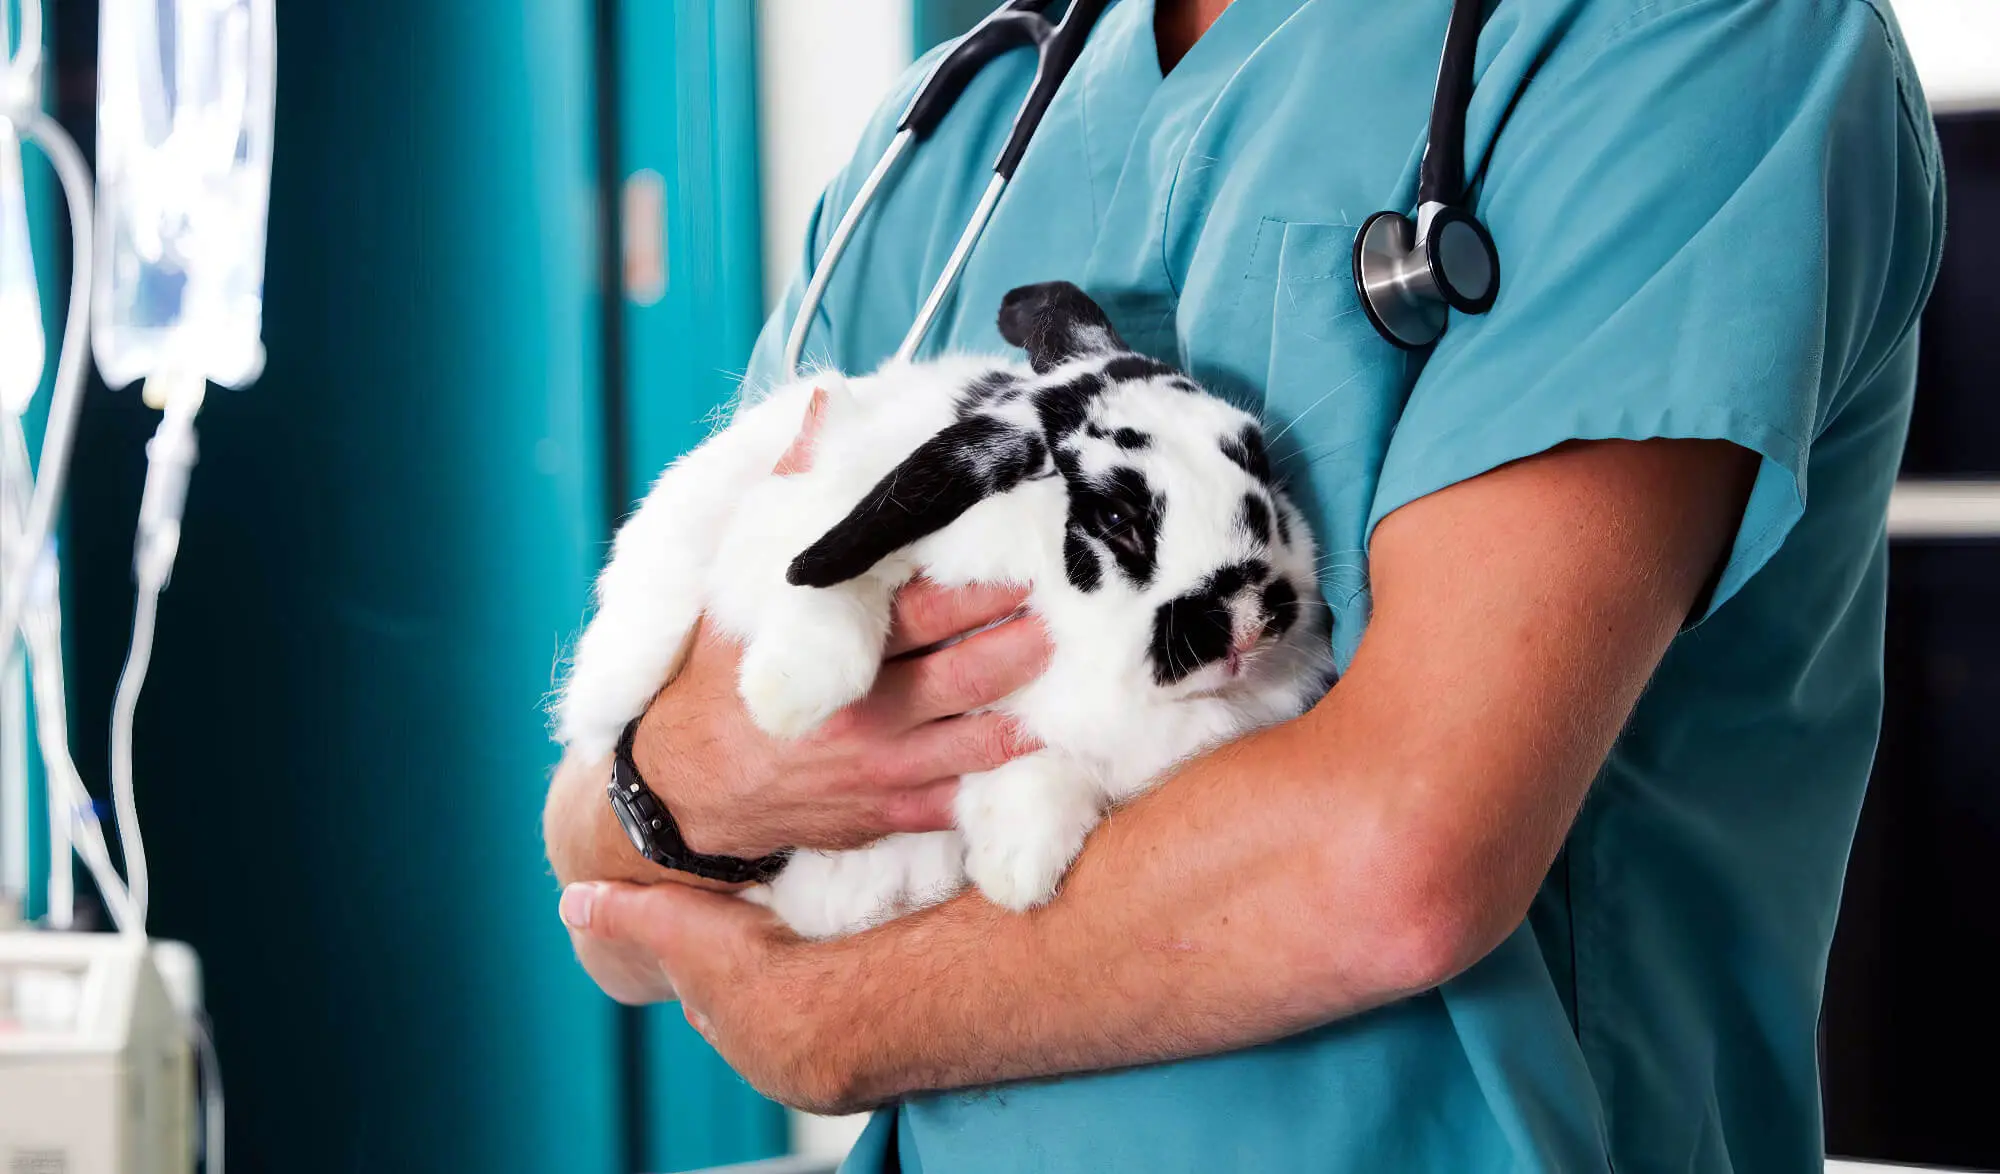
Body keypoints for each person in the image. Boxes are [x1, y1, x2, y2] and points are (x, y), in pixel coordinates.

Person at [542, 0, 1945, 1170]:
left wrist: (828, 1015)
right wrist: (689, 779)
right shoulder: (959, 132)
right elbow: (597, 878)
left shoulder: (1677, 39)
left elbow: (1398, 852)